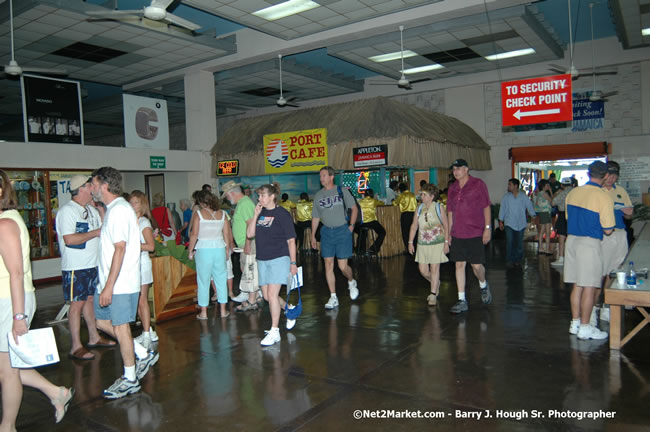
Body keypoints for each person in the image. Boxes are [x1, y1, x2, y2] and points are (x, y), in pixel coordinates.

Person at [0, 169, 74, 427]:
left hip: (11, 302)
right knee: (8, 366)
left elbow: (17, 272)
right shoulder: (7, 220)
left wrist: (19, 316)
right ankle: (57, 393)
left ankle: (7, 427)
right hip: (9, 300)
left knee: (7, 371)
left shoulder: (6, 224)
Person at [91, 167, 158, 399]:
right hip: (109, 282)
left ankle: (130, 378)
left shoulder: (120, 210)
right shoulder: (113, 209)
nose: (92, 188)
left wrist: (109, 286)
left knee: (120, 327)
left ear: (105, 185)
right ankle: (142, 353)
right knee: (101, 322)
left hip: (120, 283)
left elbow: (120, 249)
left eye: (94, 183)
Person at [55, 175, 115, 361]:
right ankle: (75, 346)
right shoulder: (67, 211)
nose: (94, 189)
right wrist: (95, 233)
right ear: (81, 189)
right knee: (76, 304)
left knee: (89, 301)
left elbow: (105, 228)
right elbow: (69, 239)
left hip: (92, 264)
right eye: (91, 185)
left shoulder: (91, 209)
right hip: (76, 266)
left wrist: (101, 211)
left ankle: (93, 336)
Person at [565, 161, 615, 340]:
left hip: (571, 241)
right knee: (589, 286)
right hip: (589, 244)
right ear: (606, 176)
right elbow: (608, 229)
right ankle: (586, 327)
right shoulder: (602, 196)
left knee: (577, 284)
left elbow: (568, 217)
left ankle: (575, 322)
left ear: (588, 174)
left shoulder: (573, 192)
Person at [246, 184, 298, 346]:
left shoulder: (282, 214)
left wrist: (293, 262)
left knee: (273, 295)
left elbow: (291, 240)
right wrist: (255, 216)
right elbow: (250, 234)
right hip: (263, 258)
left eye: (262, 195)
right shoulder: (260, 213)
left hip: (279, 257)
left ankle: (275, 331)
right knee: (268, 297)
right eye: (259, 196)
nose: (259, 199)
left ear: (272, 197)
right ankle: (289, 310)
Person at [446, 158, 492, 314]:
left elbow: (486, 207)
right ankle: (461, 299)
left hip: (474, 232)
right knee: (459, 265)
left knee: (476, 266)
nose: (455, 172)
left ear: (466, 169)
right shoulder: (452, 188)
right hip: (458, 233)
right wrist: (449, 233)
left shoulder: (478, 184)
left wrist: (487, 228)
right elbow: (450, 212)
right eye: (453, 169)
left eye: (458, 168)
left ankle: (483, 284)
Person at [592, 161, 633, 326]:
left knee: (614, 273)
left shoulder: (620, 191)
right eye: (609, 174)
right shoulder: (596, 191)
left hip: (620, 234)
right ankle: (593, 307)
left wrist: (626, 212)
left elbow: (629, 216)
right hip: (603, 236)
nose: (611, 178)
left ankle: (606, 307)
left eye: (615, 175)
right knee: (598, 273)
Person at [311, 166, 359, 309]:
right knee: (328, 263)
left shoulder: (342, 191)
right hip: (326, 232)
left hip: (342, 231)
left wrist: (351, 226)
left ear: (331, 177)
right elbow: (315, 217)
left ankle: (351, 281)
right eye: (320, 176)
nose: (321, 178)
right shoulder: (318, 196)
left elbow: (354, 208)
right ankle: (333, 296)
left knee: (343, 266)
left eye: (324, 175)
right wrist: (313, 236)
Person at [188, 190, 231, 320]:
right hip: (219, 247)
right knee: (221, 279)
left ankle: (204, 313)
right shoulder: (222, 214)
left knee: (203, 281)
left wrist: (190, 250)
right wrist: (227, 249)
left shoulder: (199, 214)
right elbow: (226, 234)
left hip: (204, 249)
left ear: (201, 202)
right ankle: (223, 311)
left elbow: (194, 234)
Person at [408, 184, 449, 306]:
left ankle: (433, 294)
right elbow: (414, 226)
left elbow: (446, 226)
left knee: (435, 268)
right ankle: (436, 283)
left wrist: (446, 242)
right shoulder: (419, 208)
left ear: (432, 196)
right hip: (422, 244)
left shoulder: (439, 207)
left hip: (437, 242)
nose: (421, 196)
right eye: (421, 194)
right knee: (423, 271)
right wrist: (410, 242)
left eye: (424, 194)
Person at [222, 181, 261, 307]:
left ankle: (250, 298)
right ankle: (253, 295)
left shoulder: (245, 204)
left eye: (227, 196)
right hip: (244, 243)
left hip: (248, 243)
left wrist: (248, 244)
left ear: (232, 193)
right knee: (245, 269)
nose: (227, 199)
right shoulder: (242, 204)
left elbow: (251, 225)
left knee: (249, 270)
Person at [129, 190, 159, 349]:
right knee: (137, 301)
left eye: (135, 202)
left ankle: (147, 333)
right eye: (131, 202)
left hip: (142, 265)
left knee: (142, 301)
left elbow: (151, 246)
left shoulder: (144, 223)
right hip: (133, 265)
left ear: (142, 204)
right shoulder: (132, 221)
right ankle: (148, 331)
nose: (132, 205)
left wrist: (133, 246)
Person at [498, 178, 536, 268]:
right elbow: (502, 208)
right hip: (509, 223)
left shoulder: (523, 196)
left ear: (515, 186)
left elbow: (529, 206)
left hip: (520, 223)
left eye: (510, 184)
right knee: (510, 242)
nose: (508, 186)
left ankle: (517, 260)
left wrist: (533, 216)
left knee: (519, 243)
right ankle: (509, 260)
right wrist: (501, 221)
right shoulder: (506, 197)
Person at [551, 178, 574, 268]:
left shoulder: (562, 193)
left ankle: (561, 258)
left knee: (561, 236)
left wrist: (556, 193)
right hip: (573, 216)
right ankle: (571, 258)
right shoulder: (575, 192)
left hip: (563, 215)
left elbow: (553, 203)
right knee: (572, 237)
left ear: (562, 185)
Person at [356, 189, 386, 256]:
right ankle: (373, 249)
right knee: (382, 232)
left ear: (364, 195)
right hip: (372, 222)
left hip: (362, 223)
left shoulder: (360, 202)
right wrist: (376, 198)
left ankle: (360, 250)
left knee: (362, 233)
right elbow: (382, 203)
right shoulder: (373, 201)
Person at [393, 183, 417, 251]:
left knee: (405, 233)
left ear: (400, 189)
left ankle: (409, 248)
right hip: (414, 214)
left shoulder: (402, 195)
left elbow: (395, 203)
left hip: (405, 215)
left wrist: (393, 201)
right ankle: (415, 247)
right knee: (414, 231)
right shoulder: (412, 194)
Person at [534, 179, 553, 256]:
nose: (548, 186)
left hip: (542, 213)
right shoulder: (544, 194)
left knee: (542, 231)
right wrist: (551, 192)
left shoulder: (539, 194)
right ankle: (547, 249)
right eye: (547, 185)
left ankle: (540, 248)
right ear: (544, 186)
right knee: (548, 232)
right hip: (546, 213)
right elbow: (552, 201)